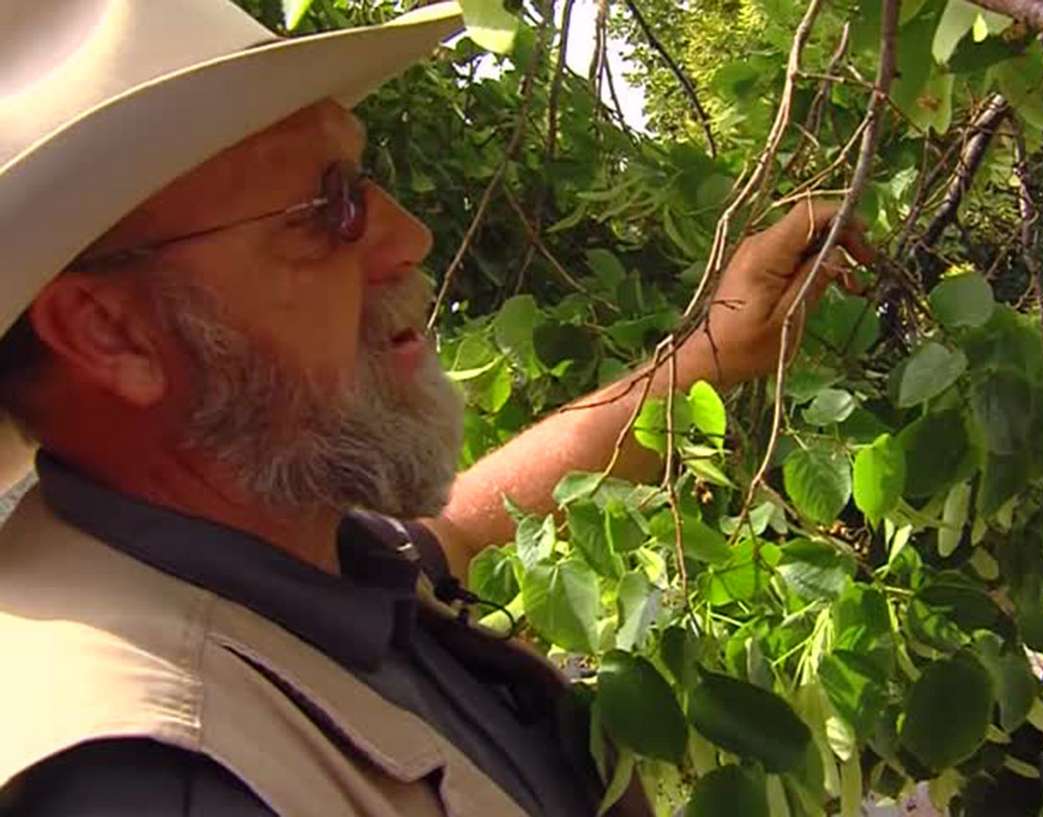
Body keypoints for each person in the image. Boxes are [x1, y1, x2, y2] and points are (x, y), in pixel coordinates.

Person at [0, 2, 873, 816]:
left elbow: (453, 532)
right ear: (112, 333)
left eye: (363, 176)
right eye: (327, 207)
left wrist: (708, 358)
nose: (406, 235)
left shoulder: (265, 556)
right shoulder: (154, 777)